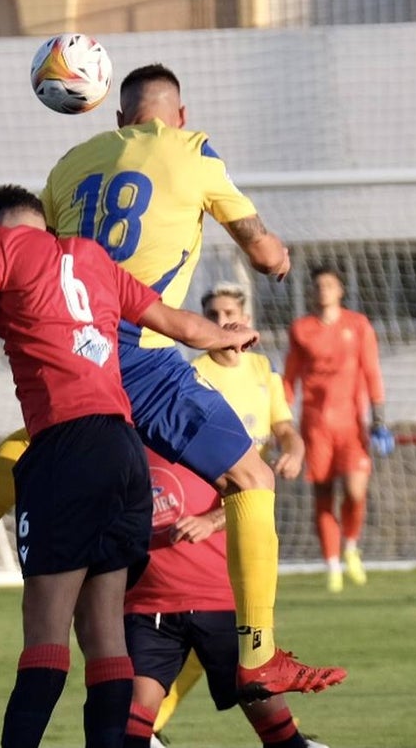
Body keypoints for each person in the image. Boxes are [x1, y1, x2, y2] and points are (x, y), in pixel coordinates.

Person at [0, 63, 344, 701]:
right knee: (250, 478)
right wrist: (277, 257)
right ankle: (256, 653)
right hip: (142, 347)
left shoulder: (67, 166)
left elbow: (53, 268)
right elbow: (259, 249)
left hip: (75, 345)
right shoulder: (195, 151)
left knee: (47, 442)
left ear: (119, 121)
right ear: (178, 115)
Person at [0, 184, 260, 748]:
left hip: (64, 450)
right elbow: (176, 324)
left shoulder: (0, 245)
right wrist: (230, 336)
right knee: (104, 633)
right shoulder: (92, 256)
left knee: (46, 630)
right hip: (123, 452)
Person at [148, 281, 308, 740]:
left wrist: (293, 449)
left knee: (228, 632)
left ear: (246, 319)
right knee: (225, 629)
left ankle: (147, 727)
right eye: (212, 315)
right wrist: (209, 517)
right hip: (200, 503)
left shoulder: (263, 370)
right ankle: (287, 736)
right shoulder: (192, 374)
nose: (222, 322)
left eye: (229, 313)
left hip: (245, 506)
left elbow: (284, 427)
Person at [125, 450, 328, 748]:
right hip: (149, 605)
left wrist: (211, 520)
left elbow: (256, 488)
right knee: (131, 720)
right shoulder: (119, 440)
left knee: (262, 705)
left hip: (220, 601)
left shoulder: (202, 437)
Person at [282, 266, 392, 594]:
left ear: (341, 289)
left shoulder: (357, 325)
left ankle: (351, 547)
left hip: (352, 425)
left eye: (329, 284)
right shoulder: (301, 329)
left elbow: (371, 369)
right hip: (315, 426)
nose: (323, 290)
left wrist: (379, 416)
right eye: (317, 285)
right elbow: (290, 376)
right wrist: (281, 420)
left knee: (357, 490)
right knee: (324, 495)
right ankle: (332, 565)